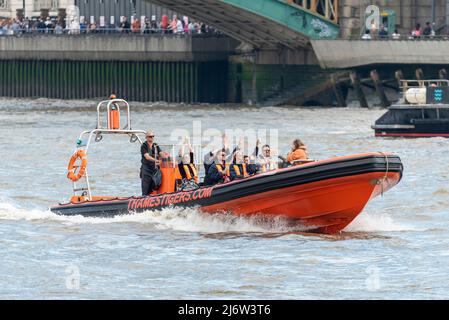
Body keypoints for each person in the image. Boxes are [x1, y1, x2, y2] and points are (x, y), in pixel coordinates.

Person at [140, 130, 164, 196]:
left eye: (153, 136)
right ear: (146, 137)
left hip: (154, 170)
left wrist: (165, 158)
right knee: (145, 188)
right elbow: (147, 156)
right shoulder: (144, 146)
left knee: (154, 187)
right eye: (150, 136)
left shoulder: (155, 145)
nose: (152, 138)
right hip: (146, 170)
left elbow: (161, 153)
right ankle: (144, 199)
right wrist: (155, 160)